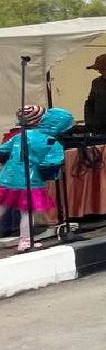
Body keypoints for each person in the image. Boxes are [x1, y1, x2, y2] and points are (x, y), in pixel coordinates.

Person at [0, 106, 72, 252]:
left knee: (1, 208)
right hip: (30, 181)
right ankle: (25, 241)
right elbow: (51, 162)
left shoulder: (18, 136)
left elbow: (2, 151)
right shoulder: (51, 141)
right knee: (27, 212)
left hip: (7, 179)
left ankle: (25, 241)